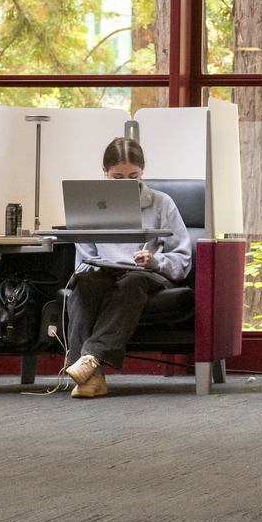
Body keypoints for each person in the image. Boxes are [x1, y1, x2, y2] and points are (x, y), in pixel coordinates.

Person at [59, 139, 193, 398]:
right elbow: (84, 261)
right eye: (117, 177)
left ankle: (87, 358)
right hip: (105, 275)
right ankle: (91, 378)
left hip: (149, 276)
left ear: (143, 171)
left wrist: (153, 261)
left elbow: (182, 260)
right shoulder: (91, 206)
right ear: (104, 172)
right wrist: (97, 269)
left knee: (132, 282)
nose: (126, 184)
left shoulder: (162, 203)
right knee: (83, 284)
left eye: (133, 176)